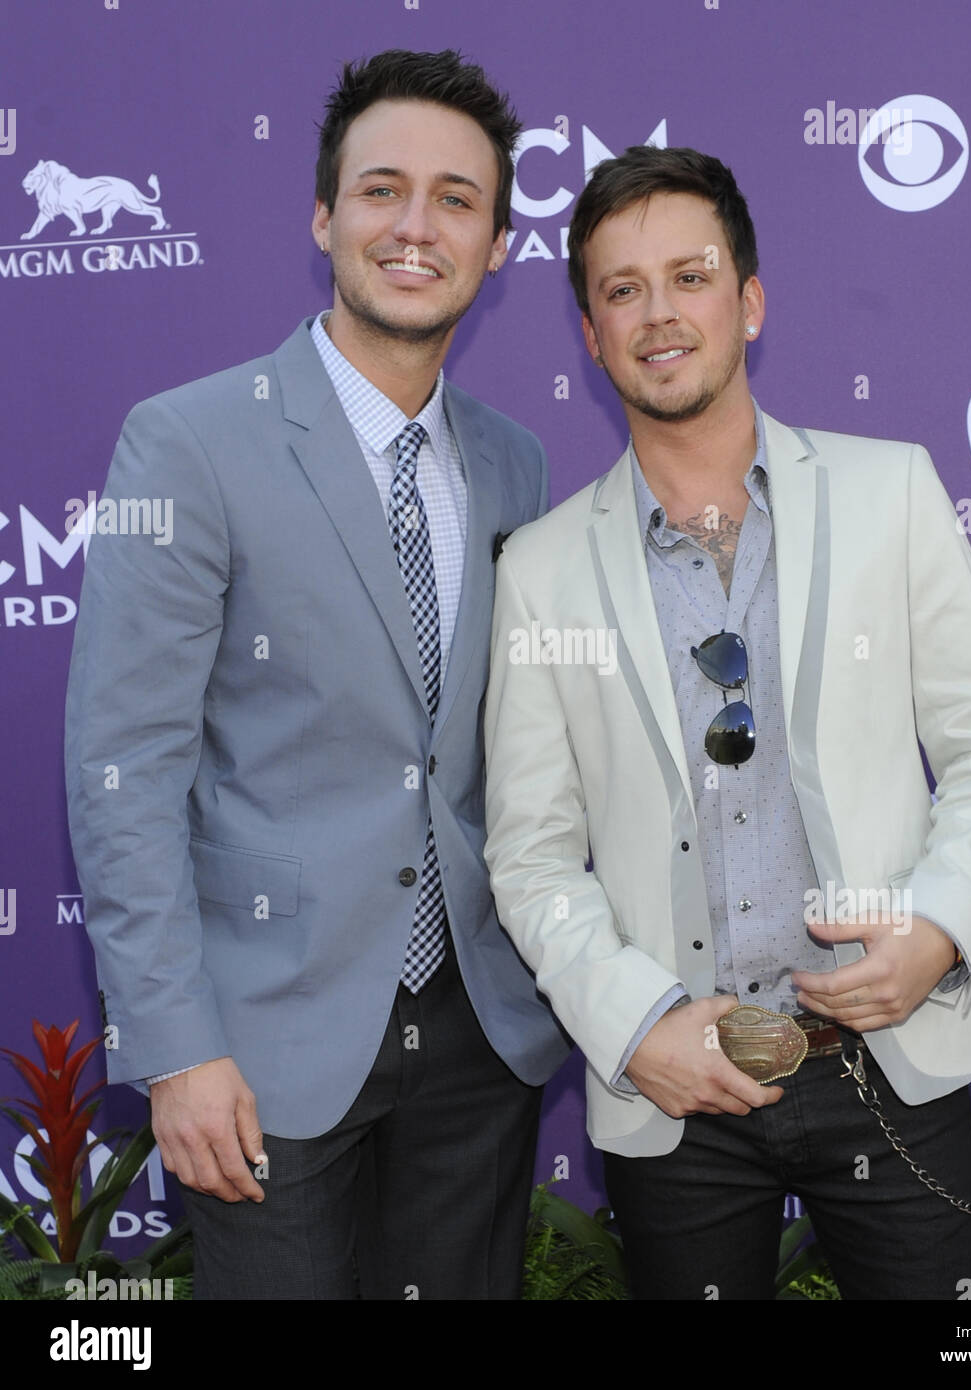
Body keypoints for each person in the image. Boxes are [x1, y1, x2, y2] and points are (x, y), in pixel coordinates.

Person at [483, 145, 971, 1300]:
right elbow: (532, 852)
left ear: (749, 300)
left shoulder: (890, 492)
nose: (657, 313)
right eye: (620, 289)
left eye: (689, 277)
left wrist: (935, 929)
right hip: (682, 1090)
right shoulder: (539, 572)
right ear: (589, 335)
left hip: (891, 1065)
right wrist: (638, 1025)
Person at [65, 48, 569, 1301]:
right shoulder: (189, 440)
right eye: (382, 188)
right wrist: (175, 1050)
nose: (416, 226)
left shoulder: (517, 465)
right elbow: (124, 769)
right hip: (264, 1035)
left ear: (499, 243)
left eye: (457, 199)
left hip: (477, 1030)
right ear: (323, 216)